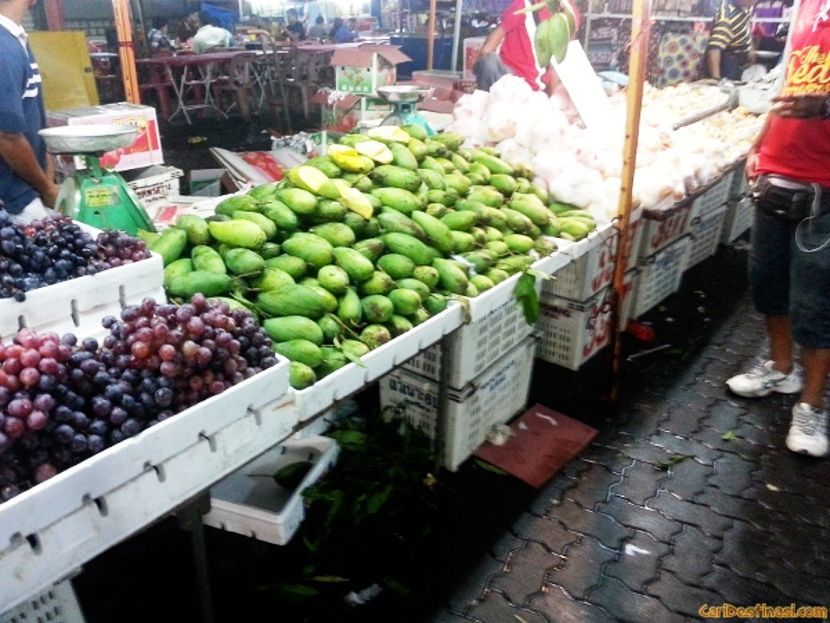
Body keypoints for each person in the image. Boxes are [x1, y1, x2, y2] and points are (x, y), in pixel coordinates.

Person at [725, 0, 830, 457]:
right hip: (777, 174)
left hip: (825, 188)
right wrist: (758, 144)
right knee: (766, 283)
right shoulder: (808, 7)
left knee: (816, 305)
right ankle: (782, 369)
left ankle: (811, 405)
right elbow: (791, 83)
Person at [0, 0, 58, 224]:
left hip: (28, 187)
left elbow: (31, 113)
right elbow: (7, 136)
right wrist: (46, 187)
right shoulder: (4, 48)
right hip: (14, 197)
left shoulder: (16, 39)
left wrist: (48, 179)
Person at [473, 0, 578, 92]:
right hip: (508, 78)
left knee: (488, 62)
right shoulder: (524, 4)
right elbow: (497, 35)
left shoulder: (569, 14)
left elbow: (560, 61)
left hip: (532, 88)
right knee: (488, 61)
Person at [705, 0, 757, 80]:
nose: (754, 2)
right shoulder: (726, 18)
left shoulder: (744, 6)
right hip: (730, 63)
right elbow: (714, 50)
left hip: (741, 58)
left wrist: (751, 48)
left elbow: (746, 24)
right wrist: (716, 79)